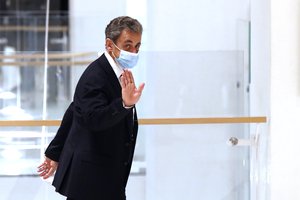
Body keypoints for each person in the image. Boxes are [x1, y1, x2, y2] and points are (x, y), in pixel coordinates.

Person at [38, 16, 145, 200]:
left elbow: (74, 111)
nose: (134, 52)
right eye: (128, 45)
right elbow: (93, 119)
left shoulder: (116, 72)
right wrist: (124, 104)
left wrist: (54, 152)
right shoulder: (96, 76)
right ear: (109, 45)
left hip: (106, 176)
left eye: (137, 46)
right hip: (92, 179)